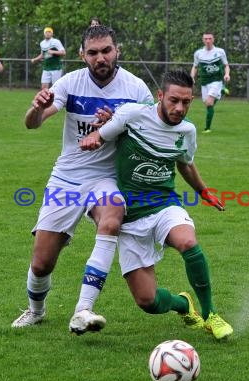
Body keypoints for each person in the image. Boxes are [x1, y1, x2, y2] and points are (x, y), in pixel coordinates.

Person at [12, 25, 154, 333]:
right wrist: (35, 109)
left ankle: (83, 309)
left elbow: (150, 139)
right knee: (41, 263)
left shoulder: (136, 89)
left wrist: (116, 126)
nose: (100, 58)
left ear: (117, 51)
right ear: (82, 56)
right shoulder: (69, 83)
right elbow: (33, 124)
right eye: (93, 53)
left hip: (107, 177)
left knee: (112, 219)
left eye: (106, 51)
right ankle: (36, 311)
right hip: (67, 179)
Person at [79, 69, 234, 340]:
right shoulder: (133, 115)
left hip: (164, 205)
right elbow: (103, 135)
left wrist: (203, 191)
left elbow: (185, 162)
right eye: (174, 100)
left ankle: (210, 315)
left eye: (186, 102)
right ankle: (183, 304)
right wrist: (95, 137)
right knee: (148, 302)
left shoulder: (187, 131)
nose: (180, 108)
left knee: (187, 242)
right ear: (159, 96)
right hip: (130, 216)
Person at [190, 32, 230, 133]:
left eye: (210, 38)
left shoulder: (220, 52)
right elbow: (195, 67)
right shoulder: (198, 53)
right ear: (203, 40)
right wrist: (191, 77)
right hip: (204, 82)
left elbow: (226, 65)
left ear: (213, 39)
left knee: (209, 103)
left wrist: (227, 74)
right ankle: (221, 92)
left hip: (216, 81)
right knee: (207, 104)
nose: (208, 41)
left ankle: (207, 128)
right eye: (205, 39)